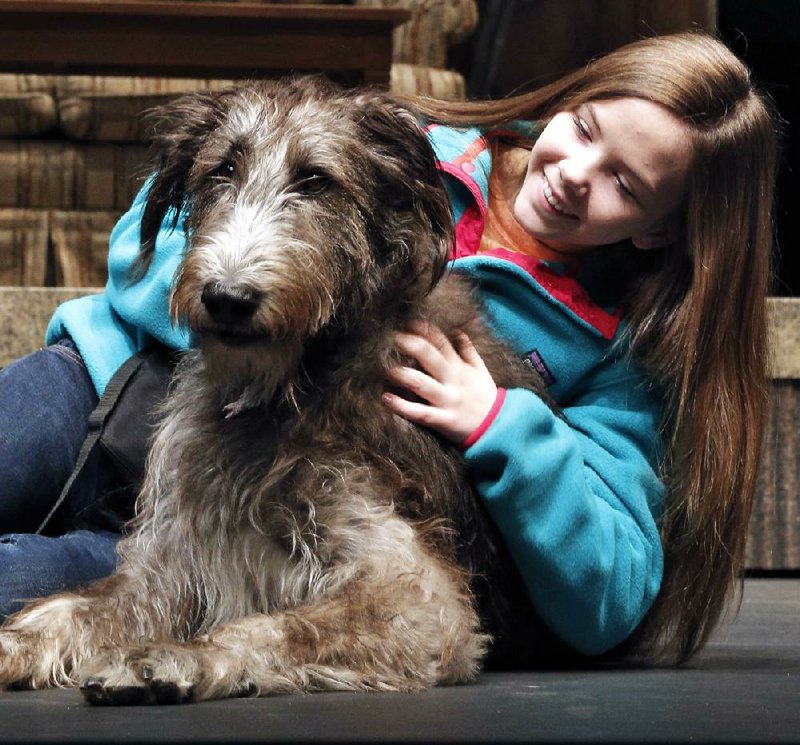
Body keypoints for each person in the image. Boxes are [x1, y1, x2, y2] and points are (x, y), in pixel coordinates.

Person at [0, 32, 778, 665]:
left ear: (659, 229)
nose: (573, 173)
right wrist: (271, 307)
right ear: (569, 99)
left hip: (247, 512)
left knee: (28, 589)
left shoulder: (617, 350)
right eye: (583, 129)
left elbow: (610, 593)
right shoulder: (419, 152)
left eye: (626, 183)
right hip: (114, 385)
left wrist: (501, 426)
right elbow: (153, 237)